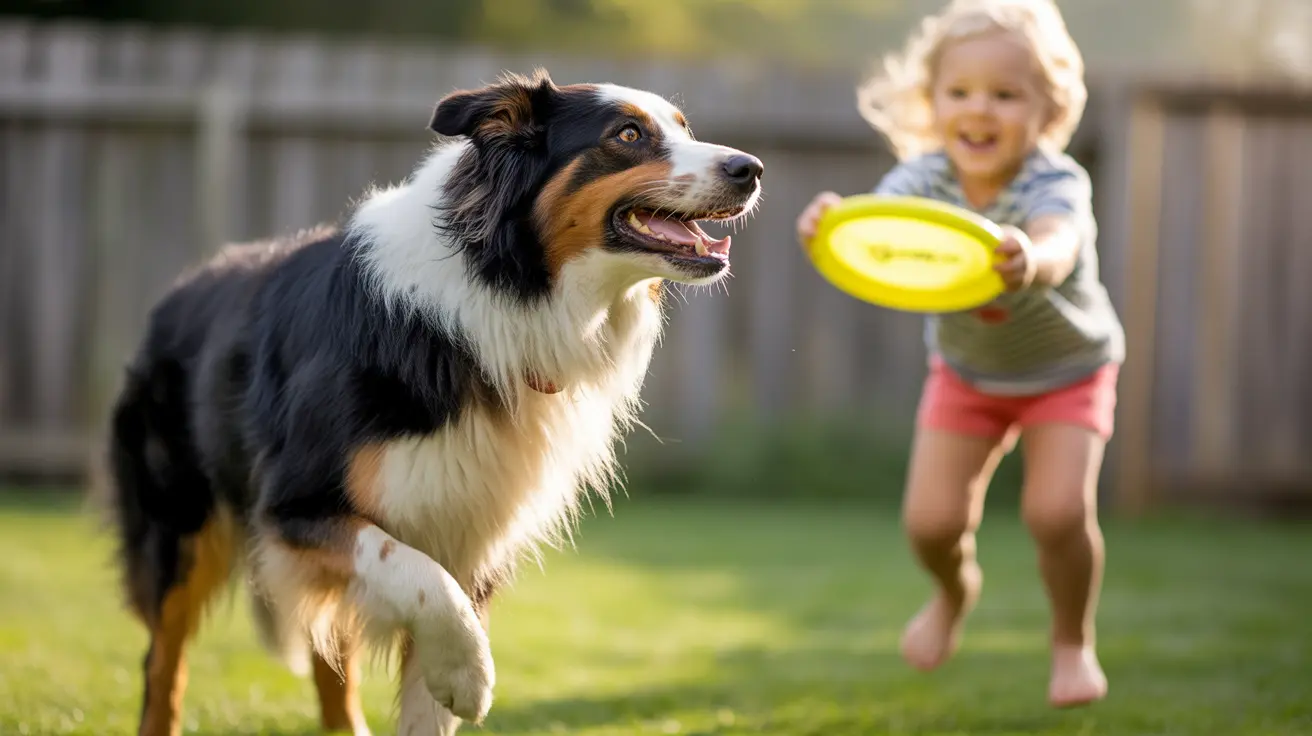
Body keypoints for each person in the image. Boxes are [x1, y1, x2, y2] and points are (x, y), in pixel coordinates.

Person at [795, 0, 1125, 708]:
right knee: (932, 524)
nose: (980, 110)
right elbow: (878, 232)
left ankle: (1073, 642)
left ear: (1048, 109)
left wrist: (1032, 256)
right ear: (933, 101)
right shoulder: (925, 178)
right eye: (960, 92)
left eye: (1006, 95)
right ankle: (953, 591)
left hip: (1066, 371)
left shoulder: (1053, 180)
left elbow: (1061, 241)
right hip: (968, 373)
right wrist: (829, 224)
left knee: (1057, 513)